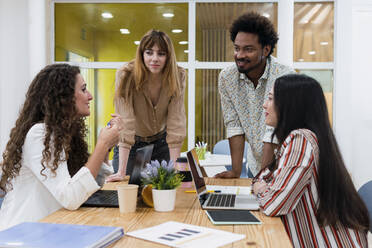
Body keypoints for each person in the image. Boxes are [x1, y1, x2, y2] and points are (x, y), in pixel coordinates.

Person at [0, 64, 122, 230]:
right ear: (63, 96)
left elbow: (91, 186)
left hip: (51, 227)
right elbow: (71, 197)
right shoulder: (40, 134)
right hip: (24, 233)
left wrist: (106, 148)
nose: (90, 96)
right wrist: (102, 144)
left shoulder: (64, 133)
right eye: (84, 89)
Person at [252, 74, 369, 247]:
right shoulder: (303, 138)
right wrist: (262, 186)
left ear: (290, 105)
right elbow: (263, 178)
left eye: (270, 98)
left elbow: (273, 205)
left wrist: (261, 189)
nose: (264, 105)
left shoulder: (301, 140)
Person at [216, 12, 295, 179]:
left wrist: (262, 178)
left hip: (285, 167)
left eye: (248, 49)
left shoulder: (284, 76)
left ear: (265, 50)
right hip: (254, 164)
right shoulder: (227, 77)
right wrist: (236, 172)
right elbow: (234, 124)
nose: (240, 55)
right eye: (237, 48)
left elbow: (273, 131)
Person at [106, 30, 186, 182]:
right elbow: (126, 122)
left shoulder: (178, 75)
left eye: (161, 54)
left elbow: (176, 121)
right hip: (132, 145)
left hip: (161, 143)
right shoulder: (126, 75)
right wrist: (121, 172)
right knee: (128, 189)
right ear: (142, 54)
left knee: (165, 189)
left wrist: (176, 169)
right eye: (149, 52)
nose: (154, 59)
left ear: (168, 56)